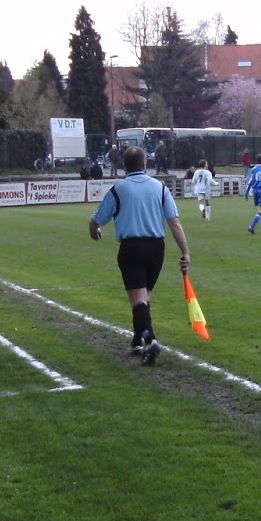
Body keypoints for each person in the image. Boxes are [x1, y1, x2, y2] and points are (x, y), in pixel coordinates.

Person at [88, 145, 191, 365]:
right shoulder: (160, 187)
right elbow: (174, 222)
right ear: (145, 164)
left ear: (124, 166)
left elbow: (96, 219)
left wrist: (93, 230)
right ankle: (137, 341)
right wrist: (185, 252)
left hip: (132, 248)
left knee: (138, 301)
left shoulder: (119, 189)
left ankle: (150, 339)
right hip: (157, 248)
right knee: (145, 297)